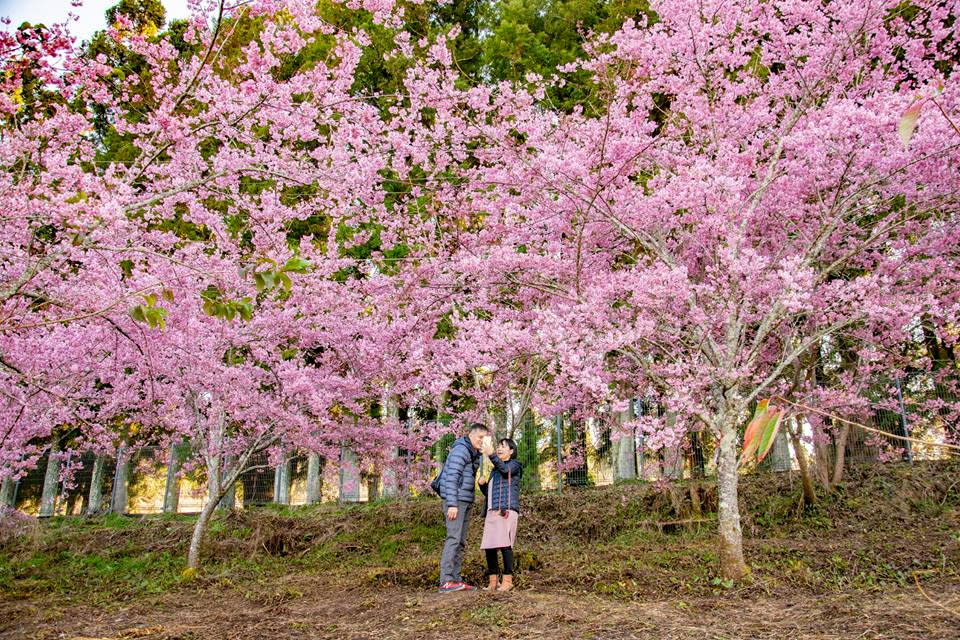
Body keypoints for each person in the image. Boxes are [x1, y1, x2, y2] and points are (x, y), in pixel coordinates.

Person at [437, 423, 491, 593]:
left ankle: (456, 580)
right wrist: (452, 503)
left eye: (485, 438)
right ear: (470, 435)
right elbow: (451, 477)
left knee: (460, 541)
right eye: (479, 438)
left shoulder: (473, 453)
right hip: (456, 501)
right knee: (453, 539)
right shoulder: (461, 450)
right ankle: (446, 580)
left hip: (466, 500)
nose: (482, 441)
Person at [478, 437, 523, 592]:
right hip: (492, 511)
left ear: (511, 451)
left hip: (507, 510)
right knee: (489, 547)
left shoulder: (515, 465)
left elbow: (506, 471)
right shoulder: (495, 470)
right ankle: (493, 582)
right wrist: (482, 486)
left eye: (503, 446)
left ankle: (508, 581)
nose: (499, 448)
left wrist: (491, 455)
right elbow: (489, 494)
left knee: (505, 545)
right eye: (498, 446)